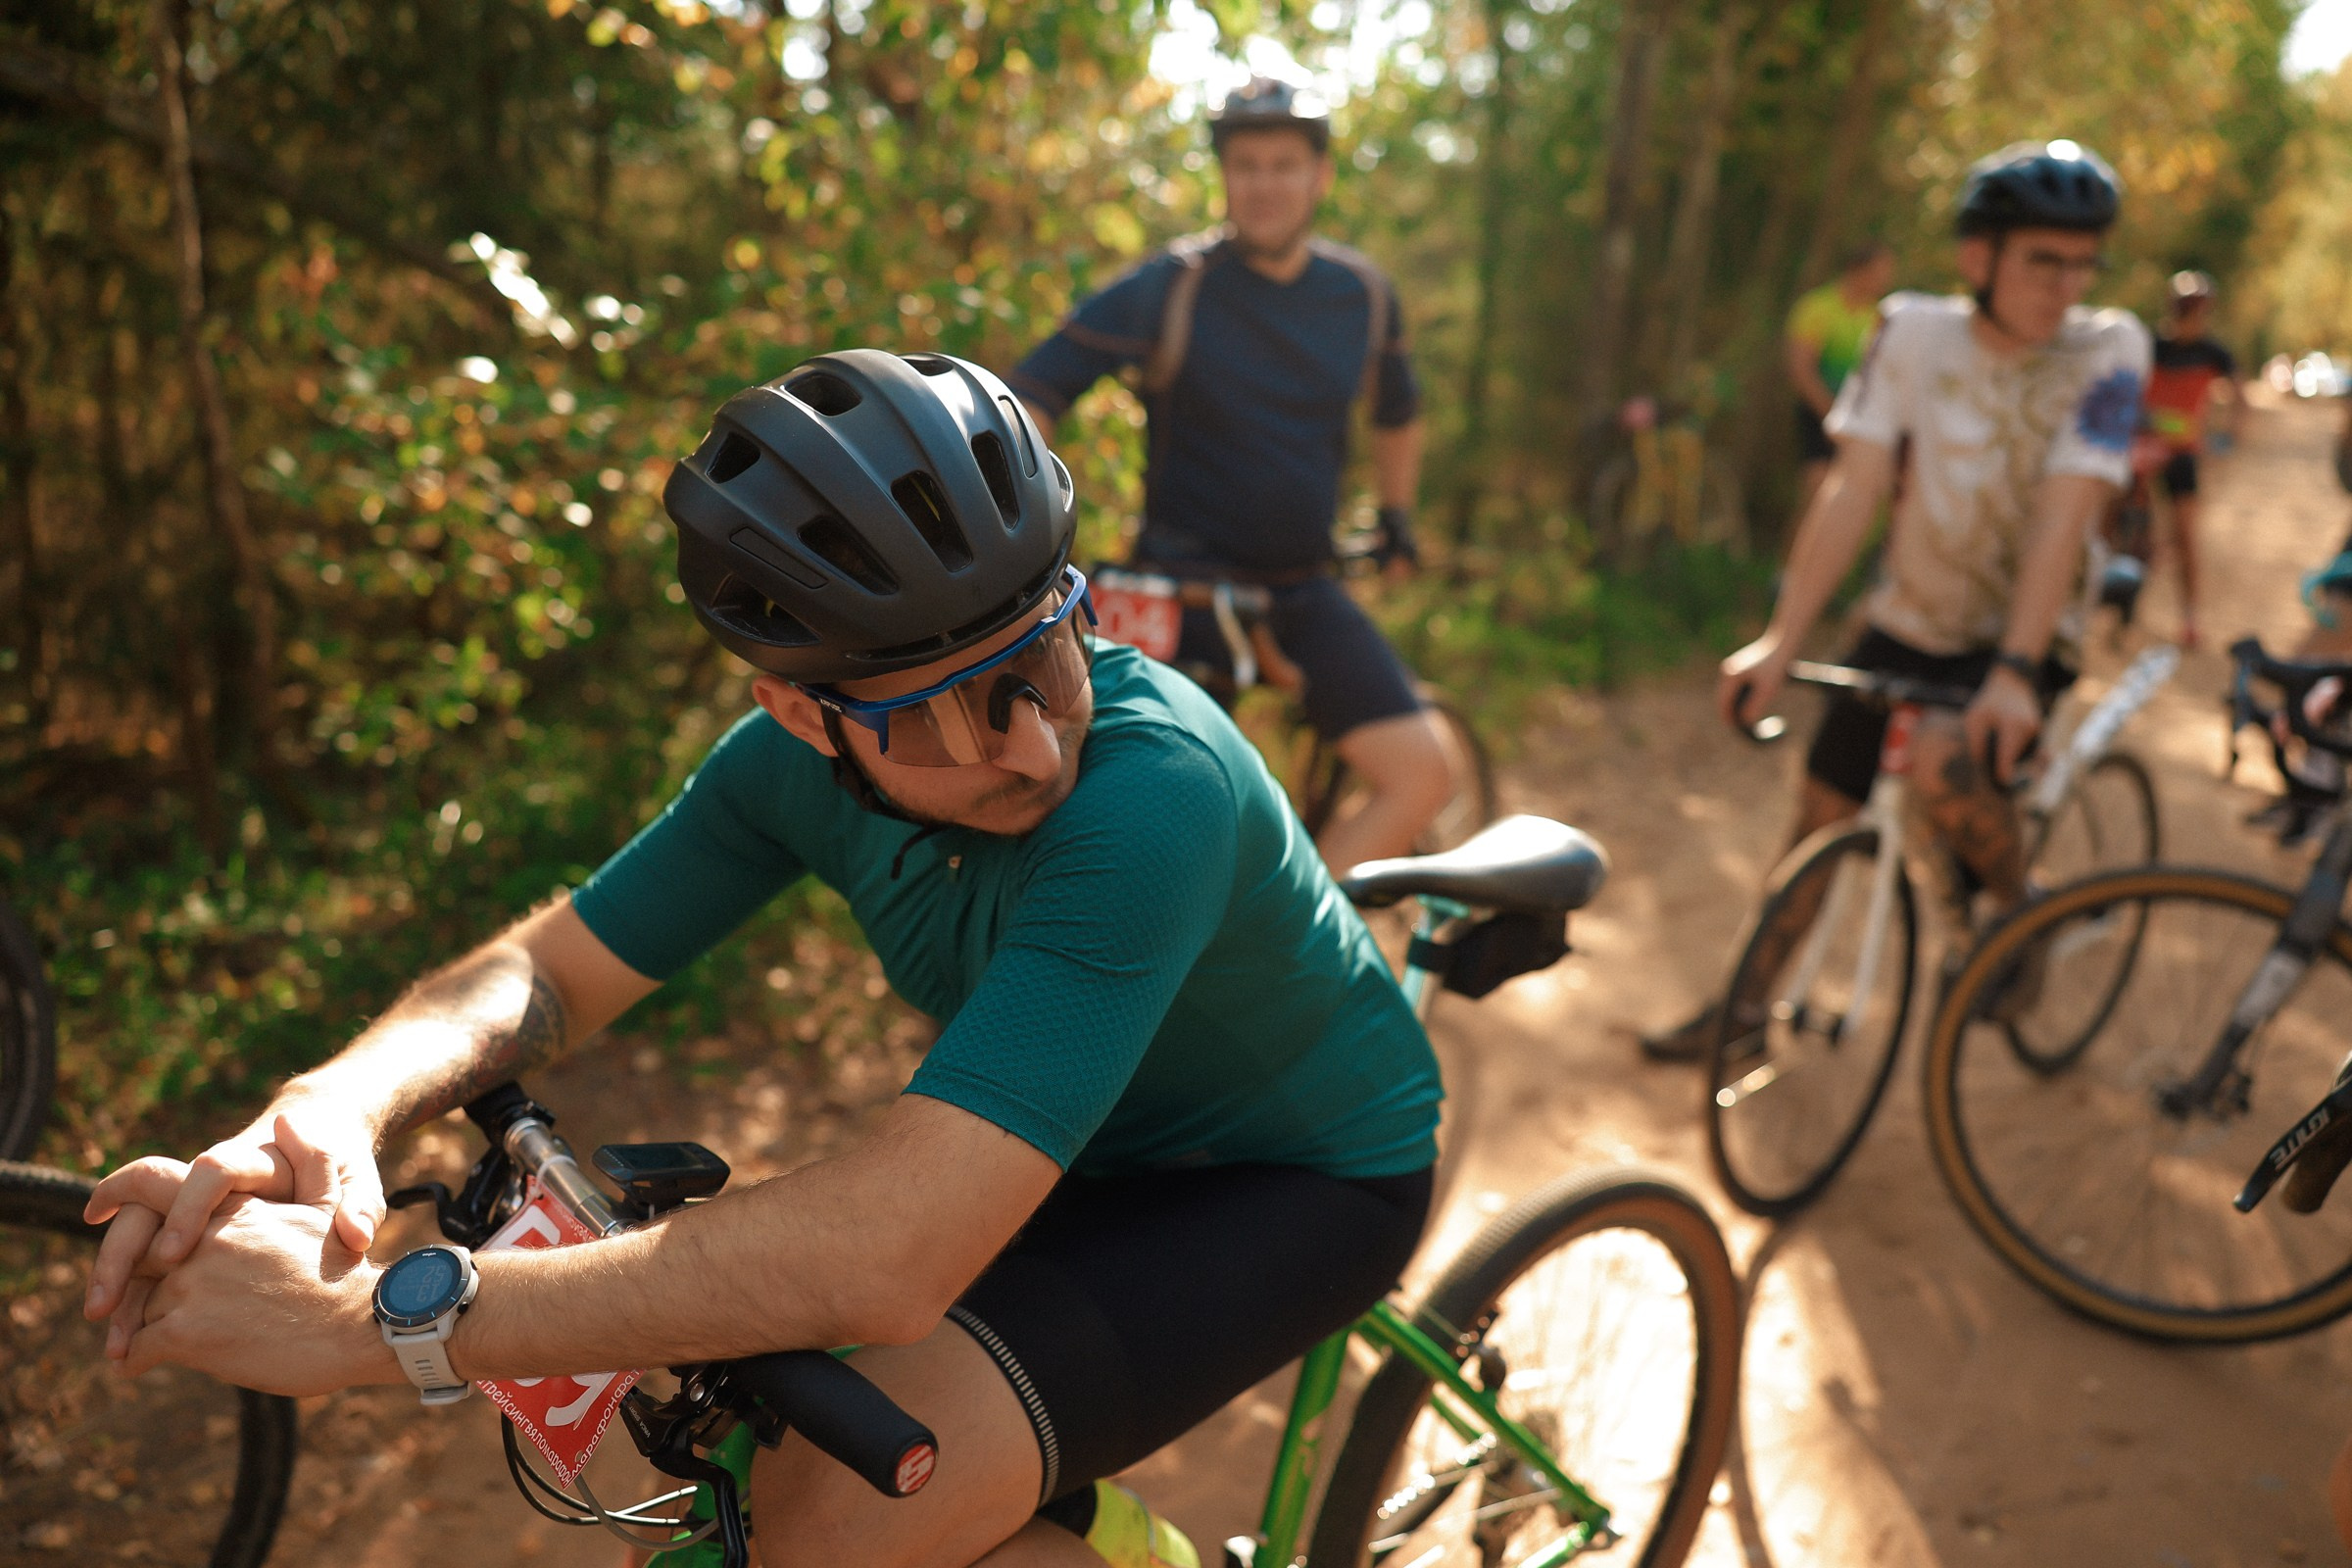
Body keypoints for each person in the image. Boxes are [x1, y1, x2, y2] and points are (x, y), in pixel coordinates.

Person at [78, 352, 1443, 1568]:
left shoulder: (1156, 797)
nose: (1033, 743)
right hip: (1073, 1146)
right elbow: (548, 974)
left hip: (1291, 1176)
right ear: (801, 713)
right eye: (953, 710)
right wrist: (337, 1100)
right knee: (745, 1509)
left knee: (826, 1535)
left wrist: (374, 1324)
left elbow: (889, 1257)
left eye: (1054, 653)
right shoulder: (778, 775)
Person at [1641, 140, 2150, 1062]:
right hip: (1908, 616)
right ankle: (1744, 1014)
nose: (2067, 286)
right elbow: (1852, 488)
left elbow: (2064, 519)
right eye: (2044, 259)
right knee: (1821, 815)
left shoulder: (2110, 351)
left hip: (2025, 634)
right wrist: (1778, 639)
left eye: (2084, 264)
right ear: (1978, 257)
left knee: (1945, 766)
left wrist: (2012, 673)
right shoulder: (1911, 333)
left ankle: (2018, 906)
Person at [1007, 75, 1454, 875]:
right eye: (1245, 164)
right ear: (1224, 176)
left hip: (1302, 590)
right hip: (1180, 594)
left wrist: (1398, 515)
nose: (1264, 183)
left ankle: (1299, 957)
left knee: (1423, 773)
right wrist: (1023, 531)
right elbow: (1033, 393)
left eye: (1285, 164)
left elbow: (1398, 410)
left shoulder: (1362, 295)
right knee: (1148, 823)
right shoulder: (1171, 287)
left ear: (1320, 176)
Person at [2138, 269, 2238, 649]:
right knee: (2123, 529)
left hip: (2182, 456)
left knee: (2184, 537)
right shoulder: (2152, 344)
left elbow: (2238, 396)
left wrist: (2226, 437)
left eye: (2197, 309)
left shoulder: (2213, 353)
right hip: (2141, 454)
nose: (2191, 316)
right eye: (2185, 308)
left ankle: (2190, 616)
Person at [1785, 241, 1898, 517]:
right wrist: (1832, 415)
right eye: (1879, 272)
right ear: (1857, 270)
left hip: (1861, 420)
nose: (1885, 280)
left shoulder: (1879, 317)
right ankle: (1793, 562)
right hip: (1818, 412)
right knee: (1817, 495)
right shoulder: (1817, 307)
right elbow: (1801, 369)